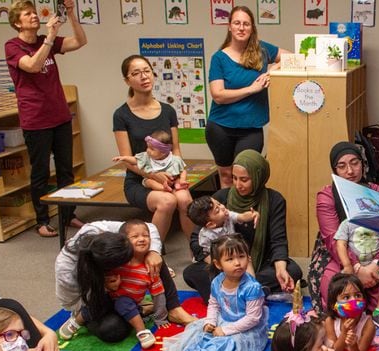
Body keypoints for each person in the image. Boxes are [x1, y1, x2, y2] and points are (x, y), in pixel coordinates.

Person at [4, 0, 87, 238]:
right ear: (17, 22)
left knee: (65, 170)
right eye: (28, 14)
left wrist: (71, 15)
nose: (33, 16)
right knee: (40, 172)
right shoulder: (13, 46)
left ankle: (68, 215)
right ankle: (42, 220)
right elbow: (32, 65)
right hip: (36, 119)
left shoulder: (44, 40)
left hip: (60, 115)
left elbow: (80, 41)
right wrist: (50, 35)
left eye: (33, 12)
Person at [138, 235, 268, 351]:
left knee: (220, 348)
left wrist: (226, 330)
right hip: (222, 321)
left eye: (241, 256)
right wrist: (211, 321)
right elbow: (214, 303)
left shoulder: (252, 288)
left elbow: (253, 319)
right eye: (230, 259)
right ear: (218, 264)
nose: (238, 263)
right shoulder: (218, 281)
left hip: (245, 330)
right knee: (194, 336)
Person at [308, 142, 379, 320]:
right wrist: (357, 268)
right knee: (334, 289)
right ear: (334, 170)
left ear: (363, 164)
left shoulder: (376, 191)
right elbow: (333, 240)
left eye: (354, 163)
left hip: (376, 250)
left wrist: (376, 264)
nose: (350, 171)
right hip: (339, 253)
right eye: (342, 166)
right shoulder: (326, 196)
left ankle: (375, 314)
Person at [183, 150, 302, 302]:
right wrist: (224, 265)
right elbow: (196, 241)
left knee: (293, 271)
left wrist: (280, 269)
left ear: (258, 177)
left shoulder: (274, 200)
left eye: (244, 179)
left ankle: (231, 294)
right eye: (234, 178)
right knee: (191, 273)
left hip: (257, 263)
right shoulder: (220, 199)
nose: (238, 185)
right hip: (223, 264)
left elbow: (278, 241)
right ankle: (252, 291)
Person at [55, 221, 195, 344]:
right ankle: (138, 311)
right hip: (95, 300)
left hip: (124, 298)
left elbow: (148, 227)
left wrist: (153, 251)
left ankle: (173, 308)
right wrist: (105, 288)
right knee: (112, 330)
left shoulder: (98, 230)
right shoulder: (66, 270)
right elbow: (70, 304)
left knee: (152, 257)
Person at [206, 5, 289, 188]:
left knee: (247, 177)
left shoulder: (262, 50)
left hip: (251, 128)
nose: (241, 28)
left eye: (246, 24)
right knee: (227, 176)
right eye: (237, 23)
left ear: (252, 28)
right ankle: (228, 216)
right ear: (229, 26)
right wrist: (251, 89)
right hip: (220, 127)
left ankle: (248, 216)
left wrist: (272, 69)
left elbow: (292, 58)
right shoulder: (219, 58)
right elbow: (218, 95)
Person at [113, 54, 194, 239]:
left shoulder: (168, 111)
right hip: (139, 180)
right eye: (136, 73)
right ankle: (153, 252)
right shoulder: (121, 115)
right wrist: (154, 176)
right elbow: (127, 160)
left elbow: (176, 150)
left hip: (170, 175)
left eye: (147, 71)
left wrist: (181, 175)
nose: (144, 76)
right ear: (127, 80)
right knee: (167, 201)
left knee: (185, 199)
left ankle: (196, 251)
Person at [113, 130, 188, 192]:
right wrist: (124, 158)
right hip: (153, 179)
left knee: (182, 172)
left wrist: (181, 178)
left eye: (152, 149)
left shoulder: (173, 159)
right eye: (148, 147)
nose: (148, 150)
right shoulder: (146, 157)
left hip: (171, 180)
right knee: (149, 182)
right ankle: (164, 188)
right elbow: (135, 160)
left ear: (163, 152)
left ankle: (180, 183)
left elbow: (182, 170)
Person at [187, 196, 259, 258]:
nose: (223, 207)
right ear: (211, 224)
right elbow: (211, 255)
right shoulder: (206, 237)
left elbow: (241, 216)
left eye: (219, 204)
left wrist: (252, 215)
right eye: (217, 210)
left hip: (234, 248)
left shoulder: (227, 216)